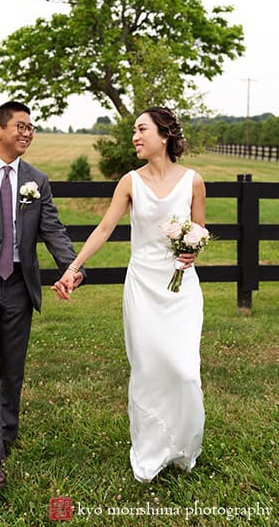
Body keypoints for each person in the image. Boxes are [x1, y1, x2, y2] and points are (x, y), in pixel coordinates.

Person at [53, 106, 206, 482]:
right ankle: (151, 452)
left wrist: (193, 249)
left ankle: (184, 446)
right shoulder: (129, 182)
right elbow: (105, 228)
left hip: (181, 287)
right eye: (133, 131)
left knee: (184, 370)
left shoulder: (193, 181)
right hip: (142, 286)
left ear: (164, 135)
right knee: (149, 369)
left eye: (141, 130)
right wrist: (73, 268)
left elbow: (200, 231)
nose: (135, 137)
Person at [0, 101, 84, 492]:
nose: (27, 133)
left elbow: (53, 229)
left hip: (20, 288)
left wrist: (72, 267)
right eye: (20, 126)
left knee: (12, 368)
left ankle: (6, 432)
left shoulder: (37, 180)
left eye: (31, 127)